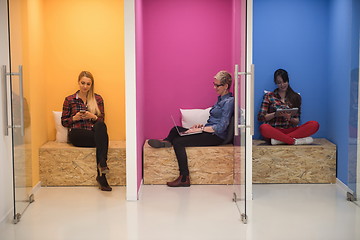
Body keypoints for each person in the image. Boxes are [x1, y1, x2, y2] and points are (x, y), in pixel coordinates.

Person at [148, 70, 234, 187]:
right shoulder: (220, 100)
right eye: (213, 84)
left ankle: (184, 178)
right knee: (176, 130)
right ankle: (167, 142)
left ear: (226, 86)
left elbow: (221, 127)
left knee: (178, 141)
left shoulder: (229, 102)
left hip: (215, 137)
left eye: (217, 85)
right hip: (208, 132)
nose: (214, 87)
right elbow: (214, 121)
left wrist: (201, 129)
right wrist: (200, 127)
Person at [61, 71, 112, 191]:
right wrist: (75, 118)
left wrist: (92, 116)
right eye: (83, 83)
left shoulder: (97, 99)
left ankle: (102, 169)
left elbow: (102, 119)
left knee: (100, 125)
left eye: (88, 84)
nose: (85, 86)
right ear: (78, 82)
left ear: (91, 85)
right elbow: (64, 122)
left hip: (93, 133)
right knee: (102, 140)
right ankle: (102, 174)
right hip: (77, 134)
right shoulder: (70, 99)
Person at [258, 69, 319, 145]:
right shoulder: (269, 96)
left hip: (291, 130)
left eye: (284, 82)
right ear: (275, 83)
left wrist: (289, 118)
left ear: (288, 80)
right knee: (263, 128)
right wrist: (275, 114)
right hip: (274, 131)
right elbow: (261, 117)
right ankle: (294, 141)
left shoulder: (295, 97)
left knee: (314, 124)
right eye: (279, 83)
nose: (282, 85)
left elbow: (297, 121)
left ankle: (280, 140)